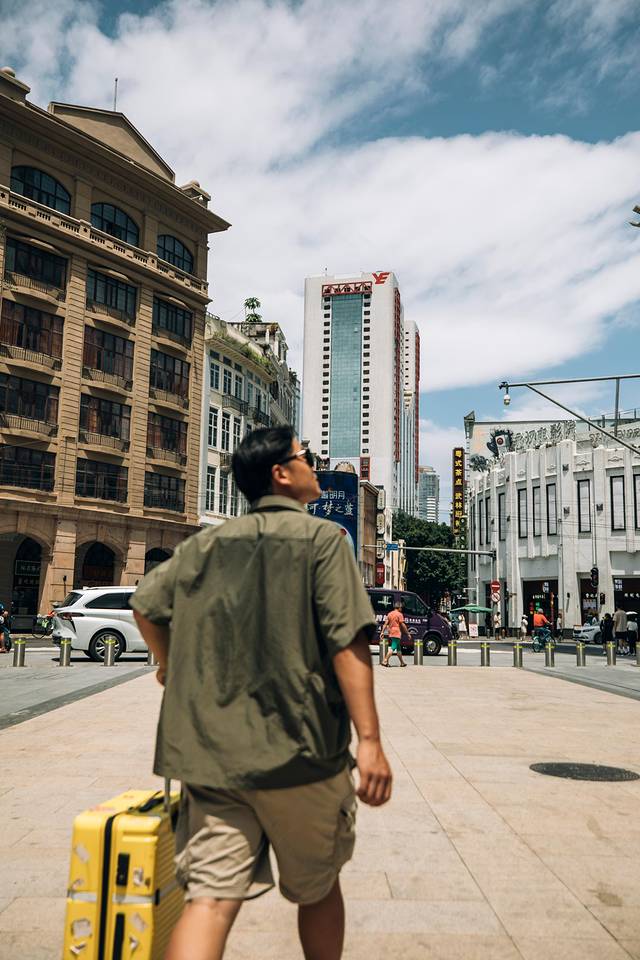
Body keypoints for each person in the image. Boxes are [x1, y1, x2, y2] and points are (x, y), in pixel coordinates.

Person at [131, 426, 392, 960]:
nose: (314, 464)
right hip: (301, 756)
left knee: (209, 902)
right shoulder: (324, 541)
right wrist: (370, 741)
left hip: (212, 760)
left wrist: (169, 666)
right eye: (306, 456)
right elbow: (347, 641)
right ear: (281, 474)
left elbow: (146, 605)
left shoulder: (205, 544)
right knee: (318, 889)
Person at [381, 601, 409, 667]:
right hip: (397, 632)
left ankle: (402, 662)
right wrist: (407, 633)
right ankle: (385, 660)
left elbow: (385, 624)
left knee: (398, 648)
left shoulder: (390, 614)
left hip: (391, 632)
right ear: (399, 607)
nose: (402, 609)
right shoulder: (399, 614)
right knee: (393, 647)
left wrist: (382, 632)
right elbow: (403, 625)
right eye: (401, 607)